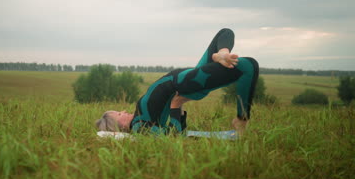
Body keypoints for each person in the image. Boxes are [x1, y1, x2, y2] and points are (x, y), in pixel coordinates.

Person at [95, 28, 259, 135]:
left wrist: (176, 104)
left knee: (225, 33)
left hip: (186, 77)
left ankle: (222, 53)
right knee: (248, 66)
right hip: (186, 82)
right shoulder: (139, 127)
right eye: (118, 114)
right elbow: (174, 135)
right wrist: (176, 105)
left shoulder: (139, 117)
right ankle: (241, 119)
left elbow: (174, 131)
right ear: (118, 128)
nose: (123, 111)